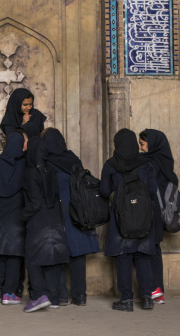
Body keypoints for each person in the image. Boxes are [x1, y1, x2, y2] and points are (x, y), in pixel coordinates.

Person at [99, 128, 157, 312]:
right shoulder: (146, 164)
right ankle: (147, 297)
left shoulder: (110, 165)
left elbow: (104, 191)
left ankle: (126, 299)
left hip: (120, 217)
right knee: (142, 256)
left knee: (123, 257)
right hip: (143, 216)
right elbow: (153, 189)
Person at [41, 128, 100, 306]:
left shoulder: (47, 162)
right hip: (78, 212)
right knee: (78, 255)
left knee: (58, 254)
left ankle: (60, 296)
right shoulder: (73, 159)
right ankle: (80, 295)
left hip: (59, 213)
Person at [22, 136, 70, 312]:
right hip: (55, 218)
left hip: (38, 220)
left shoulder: (30, 171)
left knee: (33, 259)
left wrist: (22, 215)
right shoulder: (51, 169)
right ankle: (54, 298)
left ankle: (39, 296)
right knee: (53, 259)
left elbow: (35, 202)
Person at [0, 130, 28, 305]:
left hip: (0, 214)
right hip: (17, 215)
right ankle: (9, 293)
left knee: (0, 254)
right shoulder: (23, 164)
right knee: (14, 255)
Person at [139, 128, 179, 305]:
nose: (140, 149)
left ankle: (151, 289)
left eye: (142, 144)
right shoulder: (165, 160)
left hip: (150, 211)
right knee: (155, 249)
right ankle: (157, 290)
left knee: (146, 250)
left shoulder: (150, 164)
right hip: (159, 212)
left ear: (152, 144)